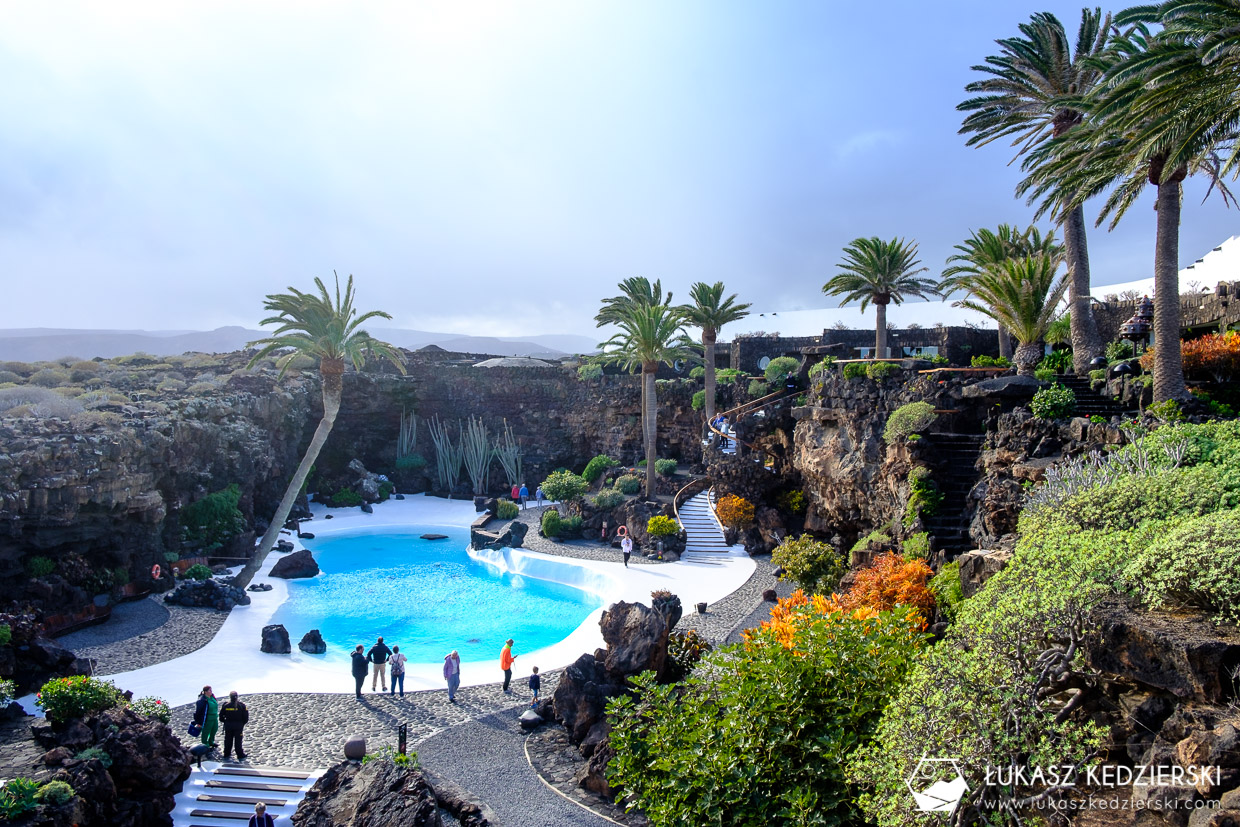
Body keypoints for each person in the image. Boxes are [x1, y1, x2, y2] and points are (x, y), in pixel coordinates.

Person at [218, 690, 249, 762]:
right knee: (238, 741)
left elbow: (221, 716)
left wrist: (225, 722)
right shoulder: (242, 706)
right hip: (238, 726)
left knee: (228, 740)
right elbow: (246, 718)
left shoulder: (226, 705)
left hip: (228, 726)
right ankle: (240, 754)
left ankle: (227, 753)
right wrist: (242, 724)